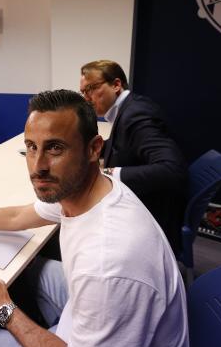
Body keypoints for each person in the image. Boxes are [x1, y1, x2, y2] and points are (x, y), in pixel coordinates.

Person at [0, 89, 188, 347]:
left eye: (55, 148)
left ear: (94, 149)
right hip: (86, 310)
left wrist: (3, 308)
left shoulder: (107, 263)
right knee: (27, 272)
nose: (38, 166)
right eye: (31, 147)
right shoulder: (89, 190)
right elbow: (18, 216)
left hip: (85, 336)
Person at [79, 60, 187, 253]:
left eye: (92, 89)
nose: (86, 98)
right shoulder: (129, 108)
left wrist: (108, 173)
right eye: (83, 92)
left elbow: (172, 170)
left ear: (116, 85)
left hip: (150, 218)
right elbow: (119, 146)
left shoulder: (136, 115)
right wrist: (82, 151)